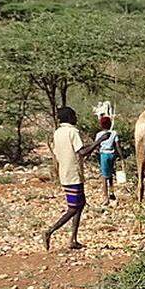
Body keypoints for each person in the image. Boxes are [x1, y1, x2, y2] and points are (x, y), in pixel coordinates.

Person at [43, 107, 100, 251]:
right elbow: (82, 152)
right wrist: (98, 141)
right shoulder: (73, 132)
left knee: (80, 204)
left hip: (65, 173)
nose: (76, 118)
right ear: (69, 117)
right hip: (74, 174)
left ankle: (73, 239)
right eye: (74, 115)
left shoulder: (58, 132)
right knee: (73, 208)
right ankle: (50, 231)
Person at [95, 115, 124, 205]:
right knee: (110, 174)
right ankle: (112, 192)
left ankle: (105, 197)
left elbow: (97, 145)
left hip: (104, 155)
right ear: (110, 124)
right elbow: (117, 145)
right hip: (112, 155)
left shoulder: (99, 134)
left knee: (104, 176)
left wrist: (96, 154)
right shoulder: (114, 133)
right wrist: (121, 156)